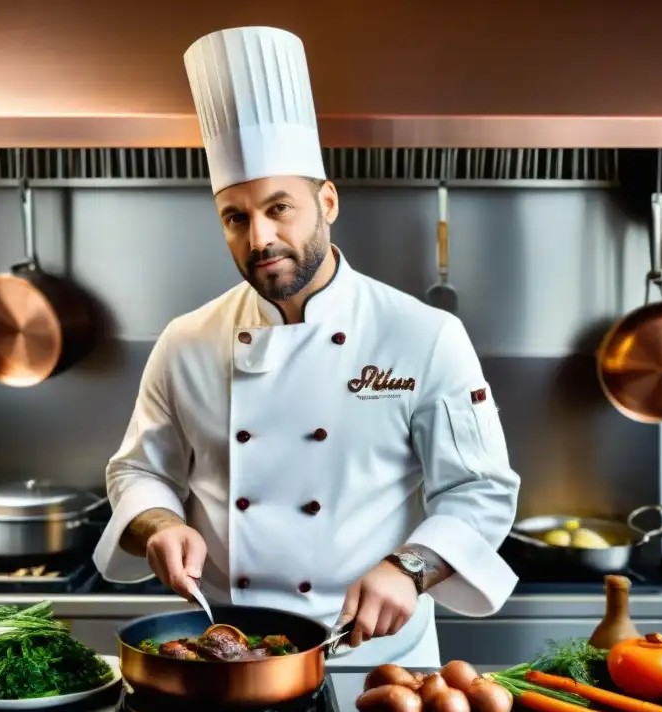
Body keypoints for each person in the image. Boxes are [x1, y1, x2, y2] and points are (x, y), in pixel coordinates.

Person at [93, 25, 521, 668]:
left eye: (279, 208)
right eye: (235, 217)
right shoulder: (186, 342)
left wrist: (408, 568)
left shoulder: (423, 335)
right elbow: (138, 470)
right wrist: (159, 525)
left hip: (375, 662)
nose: (259, 236)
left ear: (327, 201)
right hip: (222, 656)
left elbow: (480, 489)